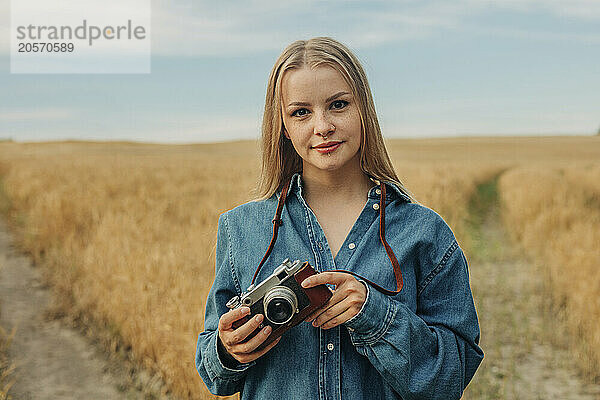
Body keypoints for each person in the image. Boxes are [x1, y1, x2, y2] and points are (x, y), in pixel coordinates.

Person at [195, 36, 483, 400]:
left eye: (338, 105)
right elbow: (215, 375)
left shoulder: (424, 232)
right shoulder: (242, 229)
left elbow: (451, 379)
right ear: (283, 127)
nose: (323, 126)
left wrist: (376, 315)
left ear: (364, 110)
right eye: (301, 112)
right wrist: (228, 350)